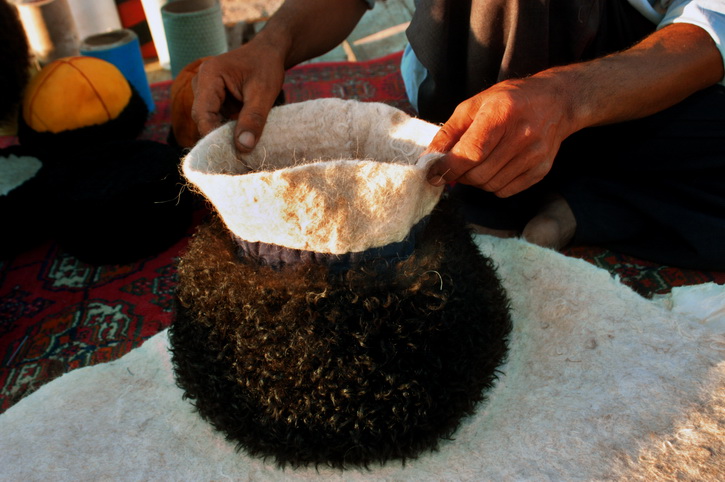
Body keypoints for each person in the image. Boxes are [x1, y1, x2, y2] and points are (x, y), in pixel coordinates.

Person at [191, 0, 725, 270]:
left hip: (633, 74)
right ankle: (494, 198)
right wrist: (272, 44)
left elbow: (709, 30)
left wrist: (566, 98)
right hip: (488, 68)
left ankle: (581, 204)